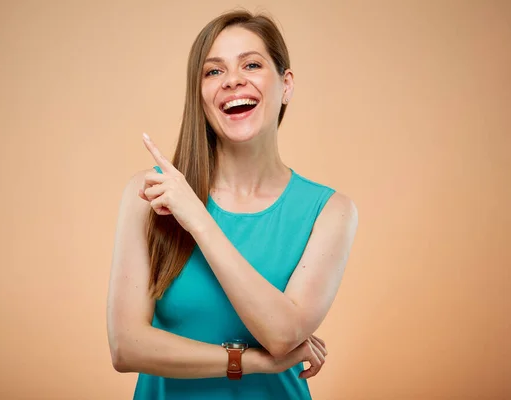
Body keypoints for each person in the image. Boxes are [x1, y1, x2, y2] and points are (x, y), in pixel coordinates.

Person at [106, 9, 358, 400]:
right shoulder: (150, 193)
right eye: (213, 71)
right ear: (200, 94)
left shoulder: (330, 211)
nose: (233, 81)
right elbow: (125, 347)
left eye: (252, 64)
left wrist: (199, 221)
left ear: (286, 85)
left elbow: (283, 334)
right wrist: (250, 361)